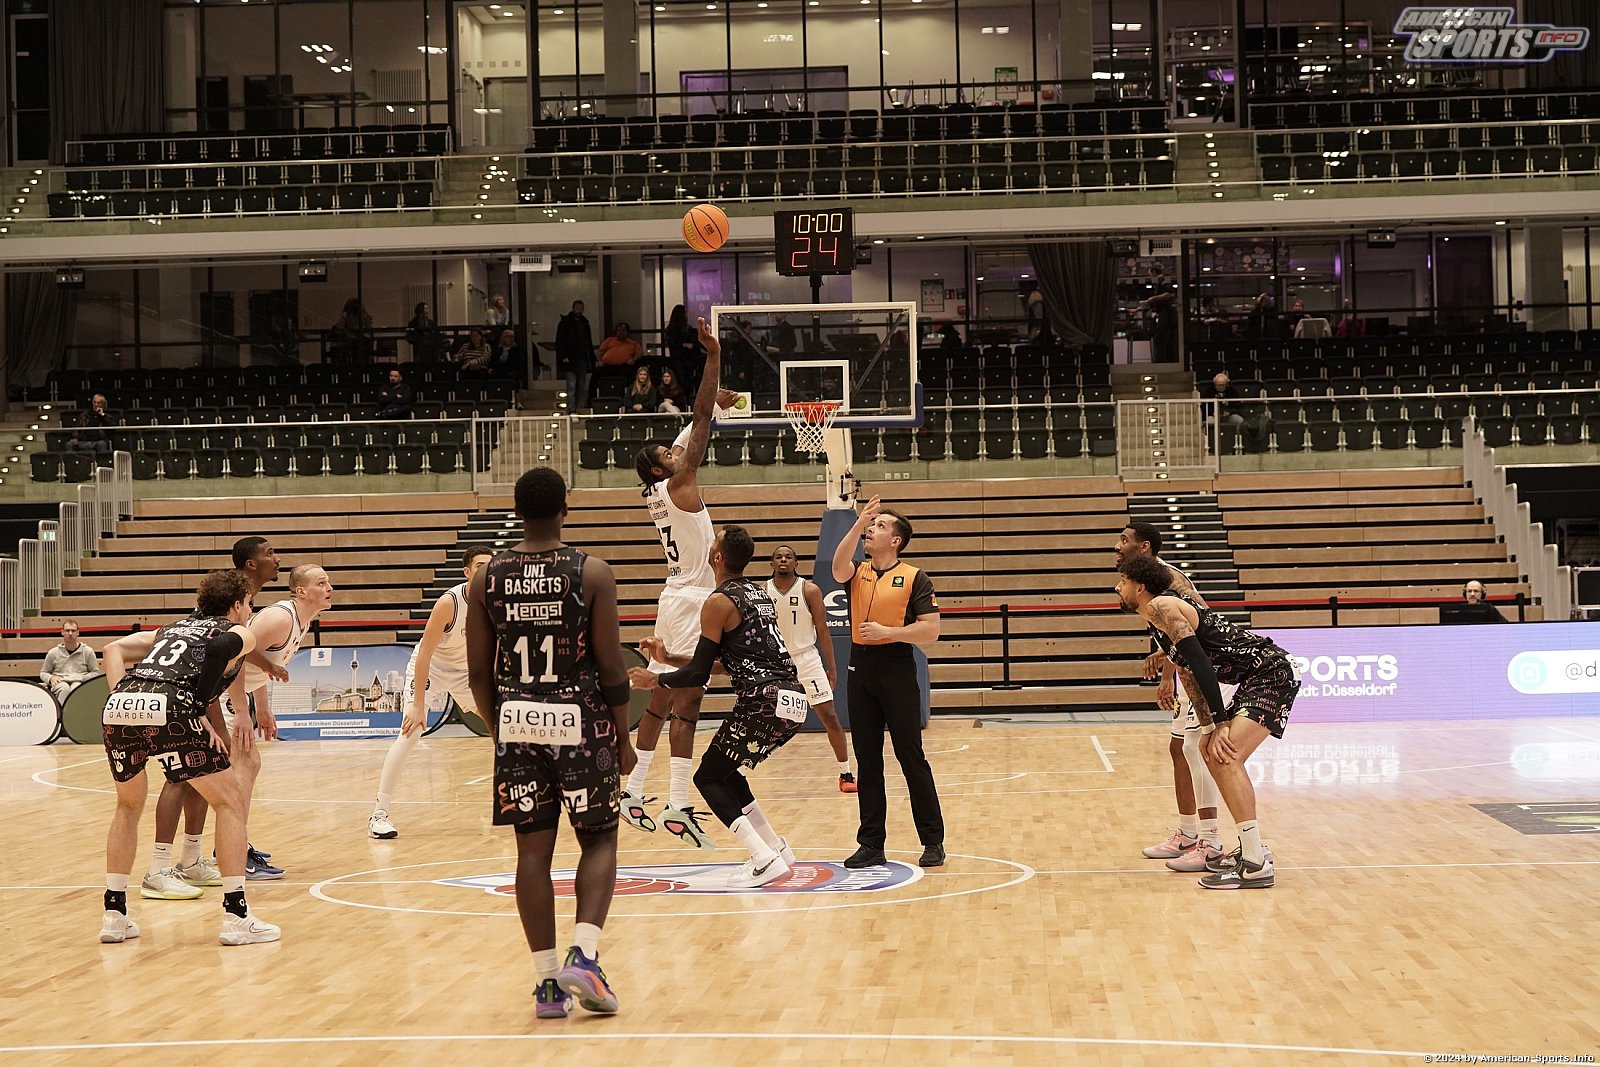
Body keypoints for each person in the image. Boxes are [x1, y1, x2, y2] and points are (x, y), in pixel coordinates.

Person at [465, 466, 634, 1018]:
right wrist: (624, 735)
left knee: (532, 852)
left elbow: (478, 672)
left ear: (516, 511)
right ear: (565, 509)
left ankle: (546, 987)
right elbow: (612, 667)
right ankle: (583, 956)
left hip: (516, 721)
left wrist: (499, 727)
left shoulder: (485, 578)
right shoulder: (592, 572)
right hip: (581, 721)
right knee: (600, 840)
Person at [97, 569, 278, 946]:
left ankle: (114, 915)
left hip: (122, 705)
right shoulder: (239, 631)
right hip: (172, 705)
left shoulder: (172, 629)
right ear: (236, 605)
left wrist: (123, 699)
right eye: (249, 603)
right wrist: (197, 706)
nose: (250, 610)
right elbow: (218, 649)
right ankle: (236, 917)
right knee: (230, 802)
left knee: (127, 807)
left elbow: (113, 649)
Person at [630, 525, 807, 889]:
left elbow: (697, 673)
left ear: (717, 557)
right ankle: (777, 849)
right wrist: (668, 657)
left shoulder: (718, 601)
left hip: (763, 701)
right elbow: (725, 664)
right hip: (793, 699)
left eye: (714, 541)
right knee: (728, 773)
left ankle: (763, 859)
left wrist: (656, 680)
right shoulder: (757, 594)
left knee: (707, 778)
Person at [1116, 554, 1299, 889]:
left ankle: (1255, 863)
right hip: (1256, 677)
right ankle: (1253, 851)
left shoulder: (1162, 607)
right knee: (1214, 754)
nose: (1117, 588)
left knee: (1225, 756)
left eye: (1123, 582)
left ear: (1139, 587)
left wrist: (1220, 724)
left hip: (1271, 672)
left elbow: (1201, 663)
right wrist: (1207, 727)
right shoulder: (1157, 622)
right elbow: (1188, 673)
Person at [621, 317, 733, 848]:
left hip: (674, 596)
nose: (678, 454)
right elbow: (700, 418)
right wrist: (712, 357)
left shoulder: (656, 490)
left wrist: (712, 413)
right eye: (669, 456)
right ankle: (678, 803)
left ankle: (633, 791)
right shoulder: (681, 482)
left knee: (659, 703)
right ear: (660, 470)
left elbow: (688, 433)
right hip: (690, 601)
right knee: (686, 703)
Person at [830, 495, 945, 869]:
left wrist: (889, 632)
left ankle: (933, 841)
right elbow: (836, 566)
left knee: (911, 756)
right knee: (867, 760)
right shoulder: (857, 572)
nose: (872, 530)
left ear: (895, 540)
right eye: (871, 525)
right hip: (860, 669)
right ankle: (871, 844)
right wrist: (858, 521)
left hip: (896, 668)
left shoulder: (914, 577)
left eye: (879, 526)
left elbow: (931, 631)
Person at [1114, 522, 1224, 872]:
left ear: (1144, 547)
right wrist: (1167, 673)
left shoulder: (1171, 580)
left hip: (1206, 670)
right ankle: (1188, 833)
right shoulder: (1144, 583)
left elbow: (1200, 627)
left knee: (1196, 748)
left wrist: (1171, 674)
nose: (1116, 546)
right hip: (1185, 669)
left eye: (1124, 540)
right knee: (1179, 748)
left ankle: (1210, 840)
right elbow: (1170, 636)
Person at [369, 544, 494, 838]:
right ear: (467, 572)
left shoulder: (498, 601)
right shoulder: (450, 602)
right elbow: (424, 654)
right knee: (411, 732)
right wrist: (417, 705)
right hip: (432, 667)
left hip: (467, 671)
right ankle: (379, 814)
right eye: (480, 566)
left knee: (505, 728)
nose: (487, 570)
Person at [766, 545, 855, 792]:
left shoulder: (810, 590)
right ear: (771, 564)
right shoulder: (762, 592)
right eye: (778, 556)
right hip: (777, 661)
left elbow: (823, 630)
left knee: (829, 716)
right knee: (766, 718)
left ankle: (846, 773)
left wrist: (832, 667)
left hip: (807, 659)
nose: (783, 559)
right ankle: (743, 769)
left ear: (796, 563)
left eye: (789, 556)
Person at [40, 619, 99, 703]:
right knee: (64, 688)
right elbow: (43, 672)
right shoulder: (53, 652)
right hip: (60, 682)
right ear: (62, 632)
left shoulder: (88, 651)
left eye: (73, 631)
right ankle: (61, 711)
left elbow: (95, 672)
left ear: (78, 632)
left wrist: (83, 678)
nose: (70, 633)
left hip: (79, 682)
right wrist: (51, 678)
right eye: (67, 630)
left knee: (76, 688)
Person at [556, 300, 596, 412]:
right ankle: (571, 409)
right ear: (573, 308)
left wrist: (591, 358)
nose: (579, 311)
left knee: (581, 386)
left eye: (581, 308)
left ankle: (574, 407)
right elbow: (560, 340)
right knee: (572, 384)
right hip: (570, 358)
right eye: (577, 308)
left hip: (582, 358)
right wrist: (564, 355)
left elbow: (588, 342)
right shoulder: (565, 322)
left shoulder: (584, 323)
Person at [662, 304, 705, 390]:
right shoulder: (672, 330)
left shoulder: (687, 328)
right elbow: (672, 343)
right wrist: (684, 344)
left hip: (689, 357)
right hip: (679, 358)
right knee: (683, 379)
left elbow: (695, 341)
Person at [1142, 265, 1179, 364]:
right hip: (1165, 315)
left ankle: (1161, 360)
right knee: (1163, 338)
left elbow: (1170, 294)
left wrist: (1154, 298)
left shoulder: (1164, 281)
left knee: (1162, 338)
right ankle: (1163, 359)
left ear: (1154, 272)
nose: (1149, 276)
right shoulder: (1160, 283)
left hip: (1166, 315)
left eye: (1150, 273)